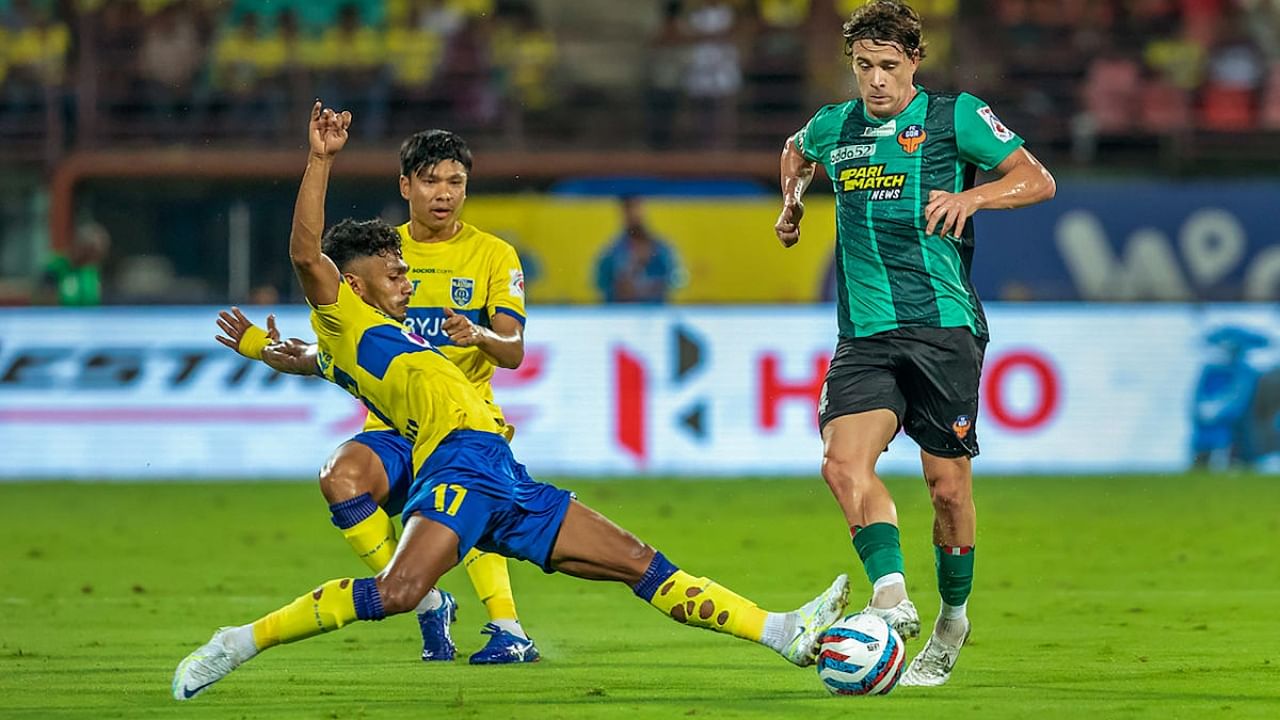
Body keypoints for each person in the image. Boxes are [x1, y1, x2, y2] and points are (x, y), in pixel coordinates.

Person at [172, 101, 850, 701]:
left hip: (501, 470)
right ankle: (240, 641)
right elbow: (304, 255)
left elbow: (313, 362)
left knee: (640, 561)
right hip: (455, 464)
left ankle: (782, 631)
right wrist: (319, 161)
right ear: (352, 281)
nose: (408, 275)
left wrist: (265, 351)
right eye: (394, 269)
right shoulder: (343, 317)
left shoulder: (378, 339)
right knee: (399, 591)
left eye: (407, 266)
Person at [772, 0, 1056, 687]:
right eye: (864, 66)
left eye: (888, 67)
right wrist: (792, 202)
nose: (875, 81)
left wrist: (976, 198)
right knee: (842, 465)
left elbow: (1037, 179)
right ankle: (892, 599)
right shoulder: (834, 125)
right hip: (864, 334)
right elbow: (795, 151)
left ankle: (952, 617)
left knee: (946, 488)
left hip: (942, 330)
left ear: (915, 63)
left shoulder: (953, 117)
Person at [212, 123, 539, 665]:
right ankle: (425, 601)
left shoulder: (493, 254)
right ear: (406, 185)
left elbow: (512, 350)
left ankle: (507, 626)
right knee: (341, 476)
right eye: (431, 180)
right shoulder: (376, 253)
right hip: (391, 423)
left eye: (456, 182)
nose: (444, 193)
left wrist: (479, 334)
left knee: (468, 496)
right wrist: (257, 346)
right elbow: (329, 349)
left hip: (463, 421)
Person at [594, 196, 681, 303]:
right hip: (620, 313)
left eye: (636, 207)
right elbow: (600, 282)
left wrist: (654, 287)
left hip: (655, 313)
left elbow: (675, 279)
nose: (633, 213)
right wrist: (619, 287)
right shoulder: (612, 253)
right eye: (628, 208)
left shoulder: (661, 251)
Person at [39, 222, 110, 306]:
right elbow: (42, 301)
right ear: (78, 245)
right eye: (90, 252)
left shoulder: (92, 271)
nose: (93, 260)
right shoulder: (55, 266)